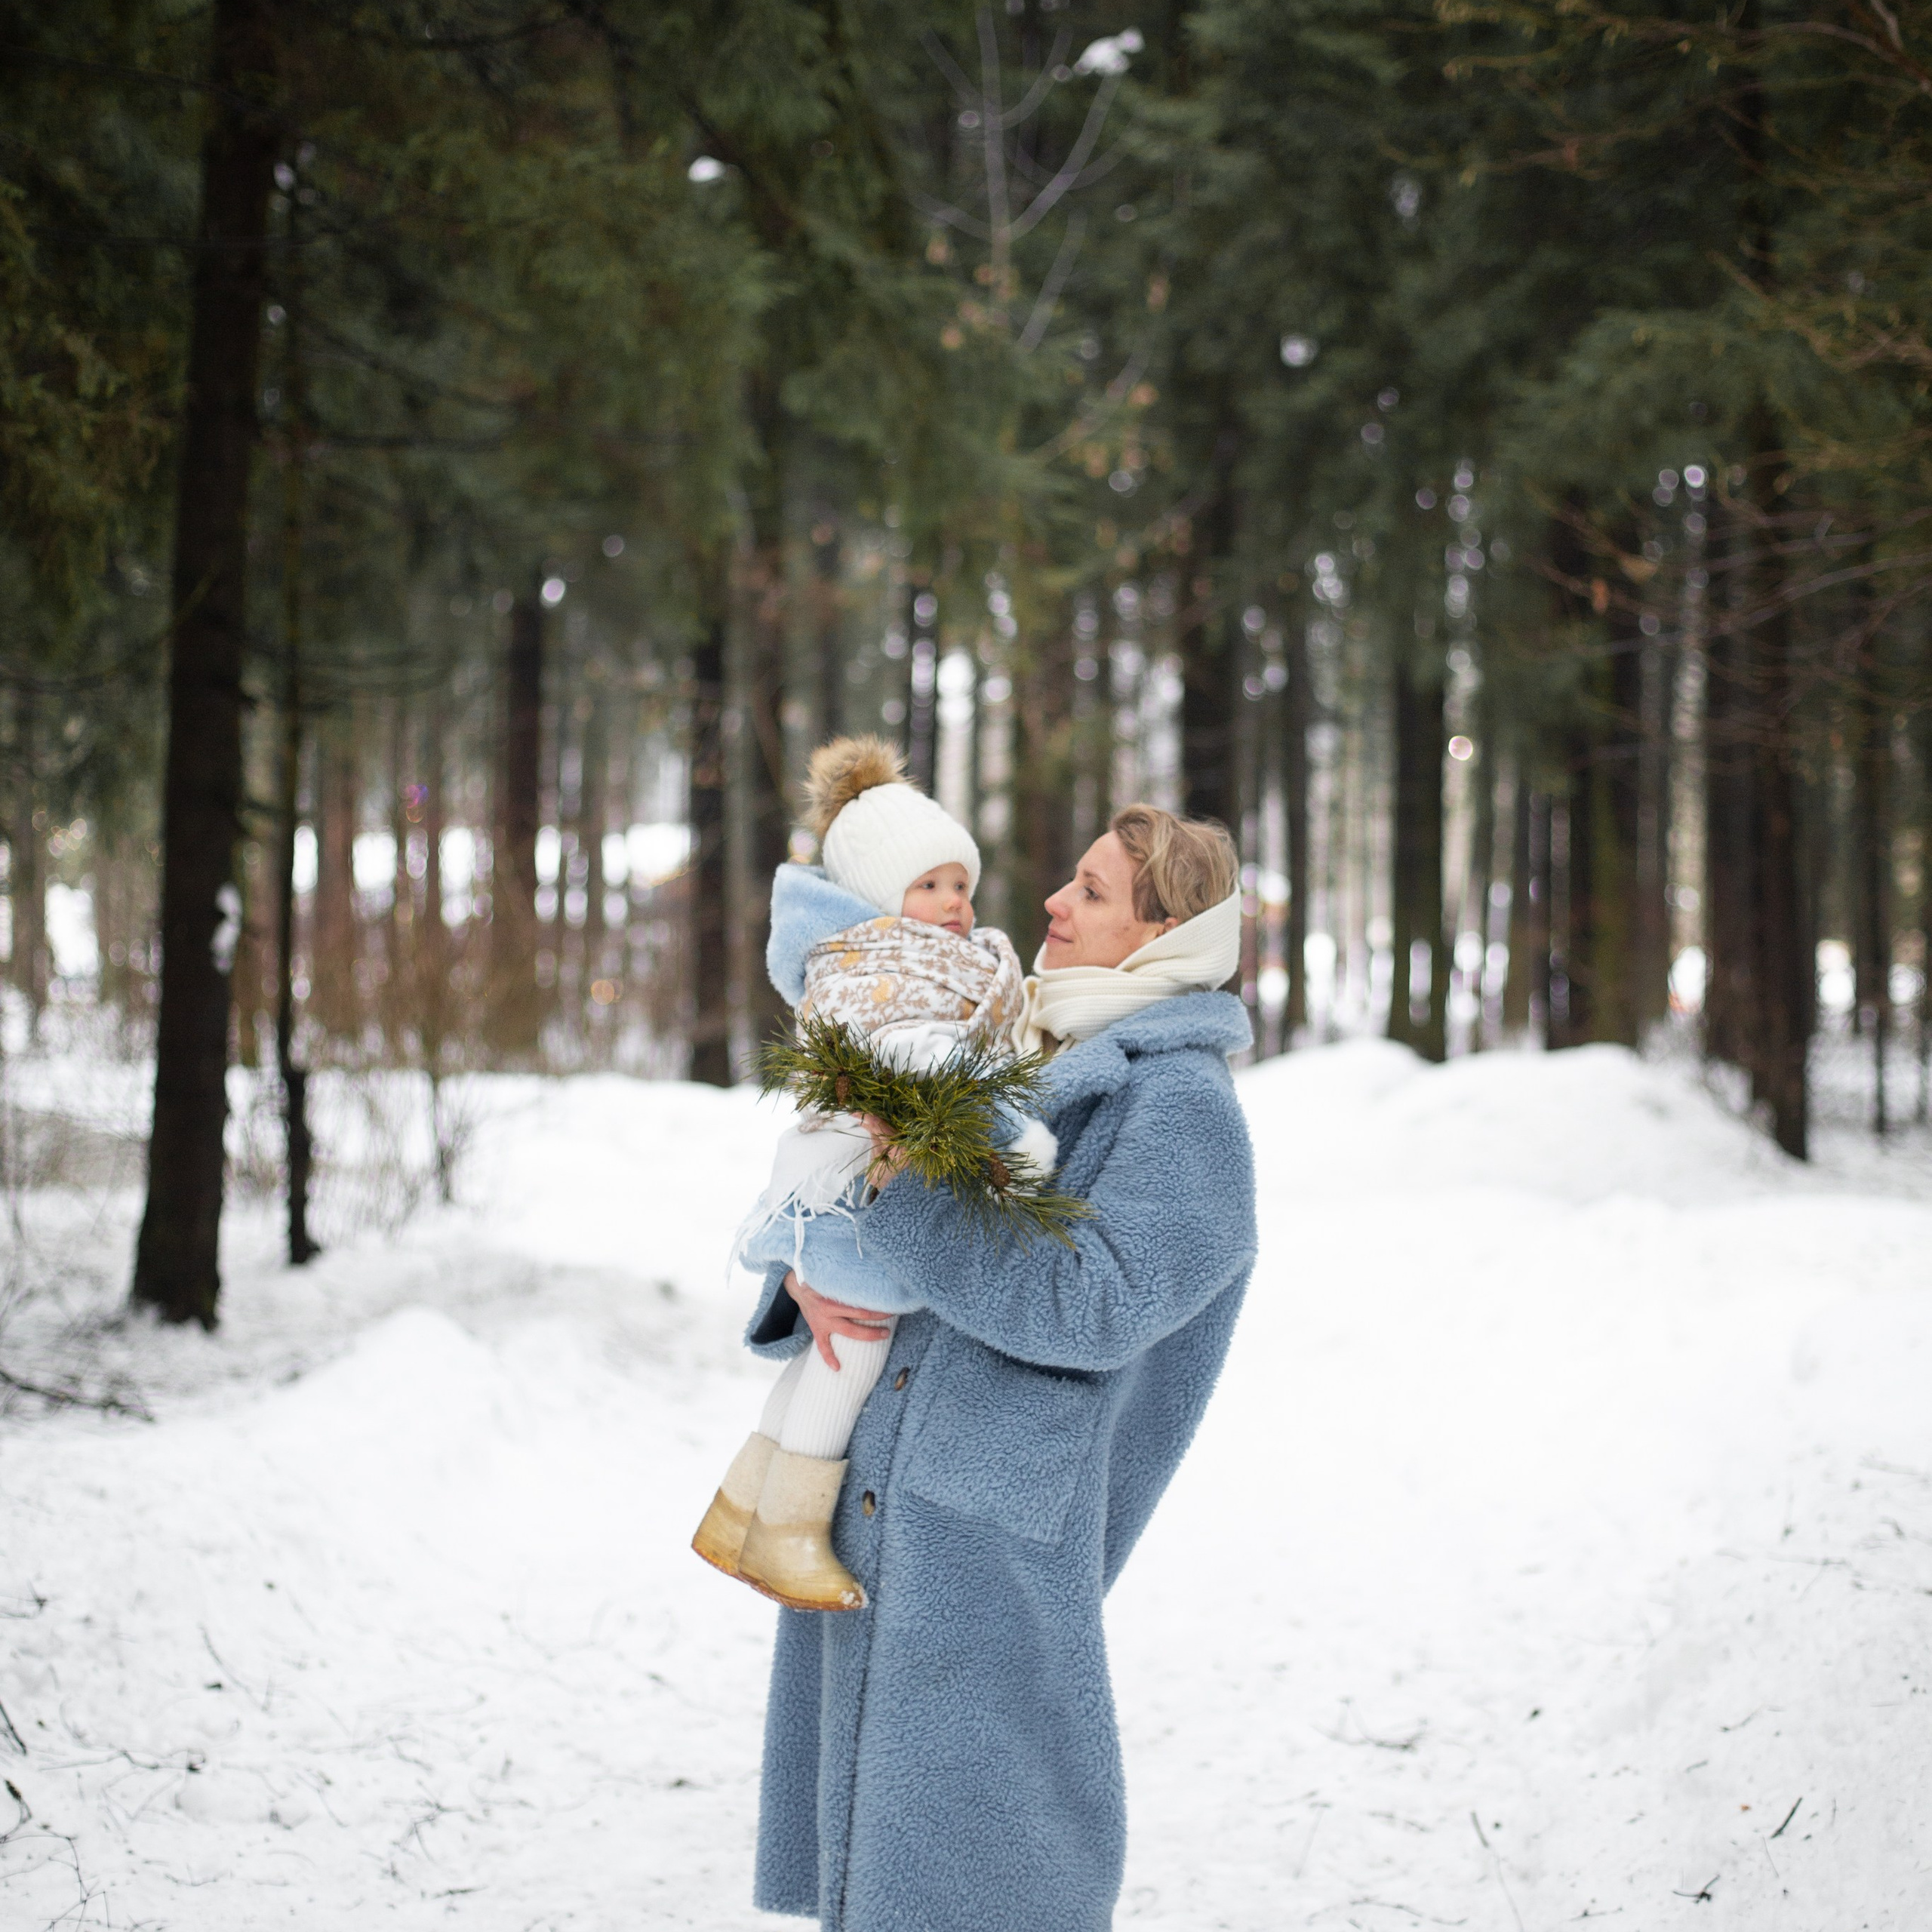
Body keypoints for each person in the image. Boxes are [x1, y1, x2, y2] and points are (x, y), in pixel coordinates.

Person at [739, 801, 1258, 1932]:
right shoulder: (1032, 1042)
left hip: (995, 1539)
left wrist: (900, 1199)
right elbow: (899, 1226)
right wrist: (811, 1276)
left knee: (991, 1874)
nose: (1054, 906)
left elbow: (1096, 1303)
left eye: (1092, 892)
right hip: (899, 1501)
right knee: (876, 1874)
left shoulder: (1184, 1111)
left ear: (1165, 934)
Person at [693, 736, 1051, 1614]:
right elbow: (917, 1060)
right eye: (928, 886)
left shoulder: (921, 963)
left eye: (960, 884)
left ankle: (740, 1511)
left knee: (824, 1345)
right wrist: (1014, 1137)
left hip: (847, 1191)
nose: (953, 904)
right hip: (853, 1195)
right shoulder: (874, 971)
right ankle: (788, 1536)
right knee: (855, 1341)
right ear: (881, 896)